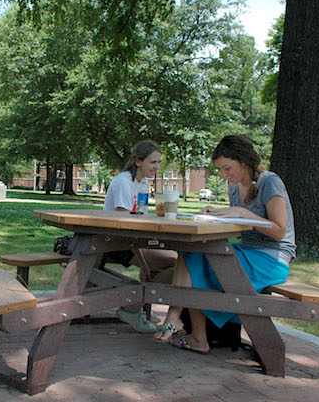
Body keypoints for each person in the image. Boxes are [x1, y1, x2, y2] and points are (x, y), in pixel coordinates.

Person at [153, 135, 295, 354]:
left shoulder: (270, 181)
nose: (224, 175)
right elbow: (240, 227)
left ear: (244, 160)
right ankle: (189, 329)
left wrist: (243, 213)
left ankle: (182, 322)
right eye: (220, 169)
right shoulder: (234, 187)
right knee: (192, 250)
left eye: (227, 168)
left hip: (271, 259)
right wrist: (216, 215)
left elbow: (279, 231)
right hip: (248, 252)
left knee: (197, 259)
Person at [103, 140, 177, 333]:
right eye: (153, 162)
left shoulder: (141, 183)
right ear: (138, 161)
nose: (157, 167)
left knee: (179, 263)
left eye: (159, 162)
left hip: (130, 242)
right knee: (177, 265)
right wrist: (144, 262)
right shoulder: (124, 183)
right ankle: (133, 309)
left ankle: (134, 306)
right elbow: (124, 228)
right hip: (114, 244)